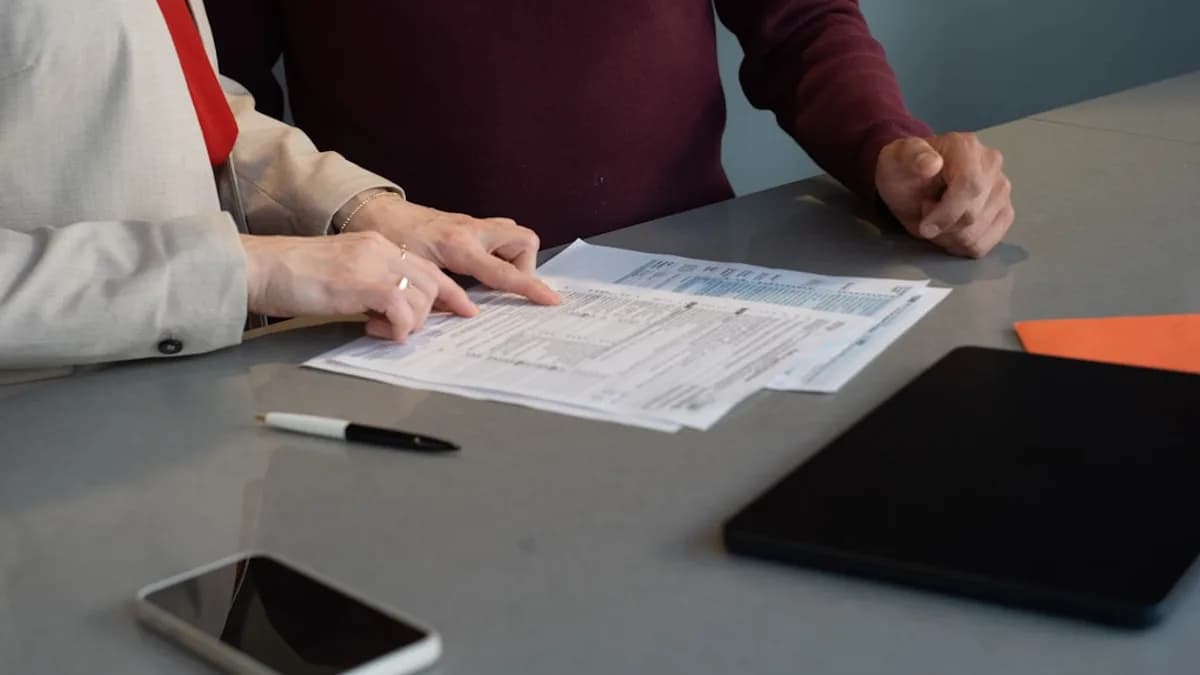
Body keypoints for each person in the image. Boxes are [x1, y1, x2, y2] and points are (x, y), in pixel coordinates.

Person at [0, 0, 558, 382]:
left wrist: (358, 208)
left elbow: (168, 93)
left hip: (181, 405)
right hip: (44, 447)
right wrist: (246, 270)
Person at [208, 0, 1014, 259]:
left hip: (680, 287)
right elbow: (221, 97)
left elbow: (800, 24)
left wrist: (888, 146)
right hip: (401, 305)